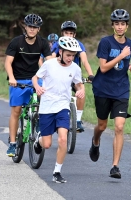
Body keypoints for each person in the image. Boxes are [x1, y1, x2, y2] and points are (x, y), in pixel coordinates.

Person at [89, 9, 131, 179]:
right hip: (102, 89)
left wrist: (129, 65)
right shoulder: (105, 43)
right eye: (116, 23)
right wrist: (122, 56)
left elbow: (126, 61)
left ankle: (115, 166)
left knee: (119, 127)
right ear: (112, 25)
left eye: (122, 23)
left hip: (121, 90)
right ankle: (95, 141)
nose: (119, 26)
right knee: (102, 126)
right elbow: (103, 68)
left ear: (127, 26)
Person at [32, 36, 84, 183]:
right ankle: (38, 140)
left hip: (63, 106)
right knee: (47, 144)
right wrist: (37, 87)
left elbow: (79, 84)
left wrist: (81, 91)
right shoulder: (49, 64)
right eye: (68, 55)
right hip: (47, 106)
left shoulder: (75, 68)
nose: (70, 58)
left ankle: (57, 172)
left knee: (62, 138)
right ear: (60, 52)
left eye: (73, 55)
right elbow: (35, 78)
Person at [5, 13, 52, 157]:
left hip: (35, 79)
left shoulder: (42, 43)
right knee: (16, 111)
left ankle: (38, 126)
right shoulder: (16, 42)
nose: (32, 29)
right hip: (18, 80)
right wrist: (12, 78)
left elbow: (49, 63)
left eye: (35, 27)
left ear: (38, 29)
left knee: (44, 102)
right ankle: (13, 144)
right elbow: (8, 62)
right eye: (30, 26)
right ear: (25, 27)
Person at [51, 21, 94, 132]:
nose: (69, 36)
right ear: (62, 33)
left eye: (71, 33)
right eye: (66, 33)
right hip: (59, 76)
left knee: (81, 91)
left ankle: (78, 121)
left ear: (74, 35)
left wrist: (91, 75)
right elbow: (51, 59)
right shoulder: (57, 44)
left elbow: (84, 61)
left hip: (73, 76)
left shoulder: (79, 45)